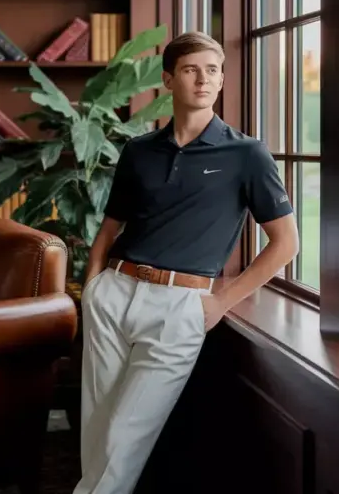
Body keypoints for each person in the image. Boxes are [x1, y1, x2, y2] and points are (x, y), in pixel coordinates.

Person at [72, 31, 299, 494]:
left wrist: (219, 303)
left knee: (124, 435)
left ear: (221, 81)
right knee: (97, 428)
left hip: (181, 307)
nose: (204, 80)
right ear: (168, 79)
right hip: (116, 293)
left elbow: (285, 243)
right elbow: (110, 227)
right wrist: (94, 288)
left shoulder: (247, 154)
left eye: (213, 70)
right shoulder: (139, 151)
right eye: (192, 70)